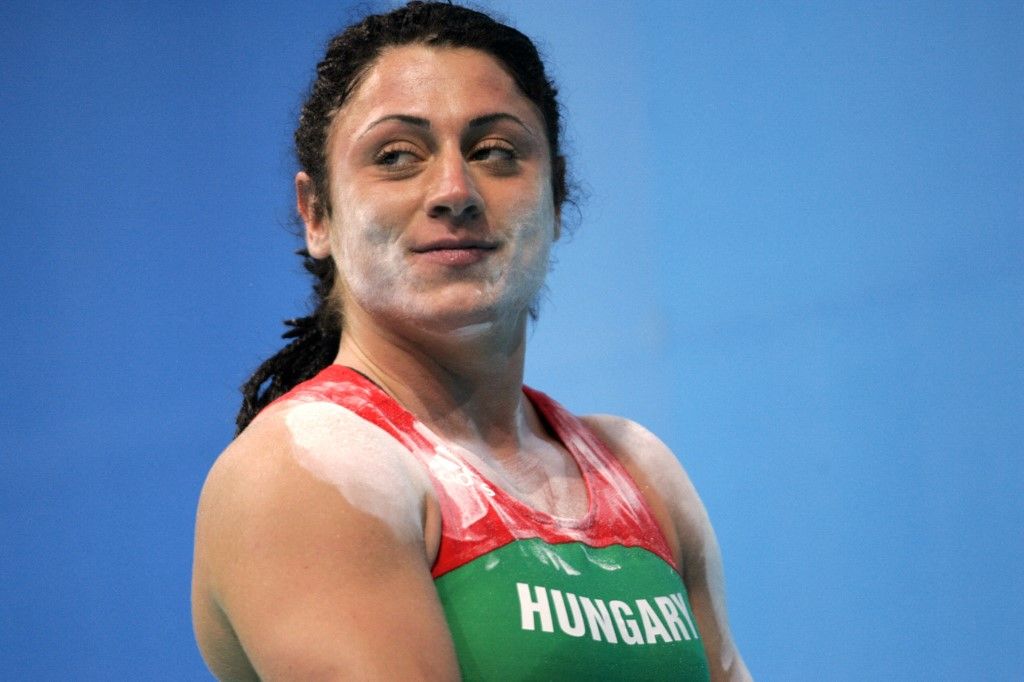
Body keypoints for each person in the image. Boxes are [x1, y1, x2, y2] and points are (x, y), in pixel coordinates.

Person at [191, 2, 751, 680]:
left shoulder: (639, 470)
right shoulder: (305, 469)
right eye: (397, 156)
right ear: (318, 216)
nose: (454, 191)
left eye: (496, 152)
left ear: (556, 197)